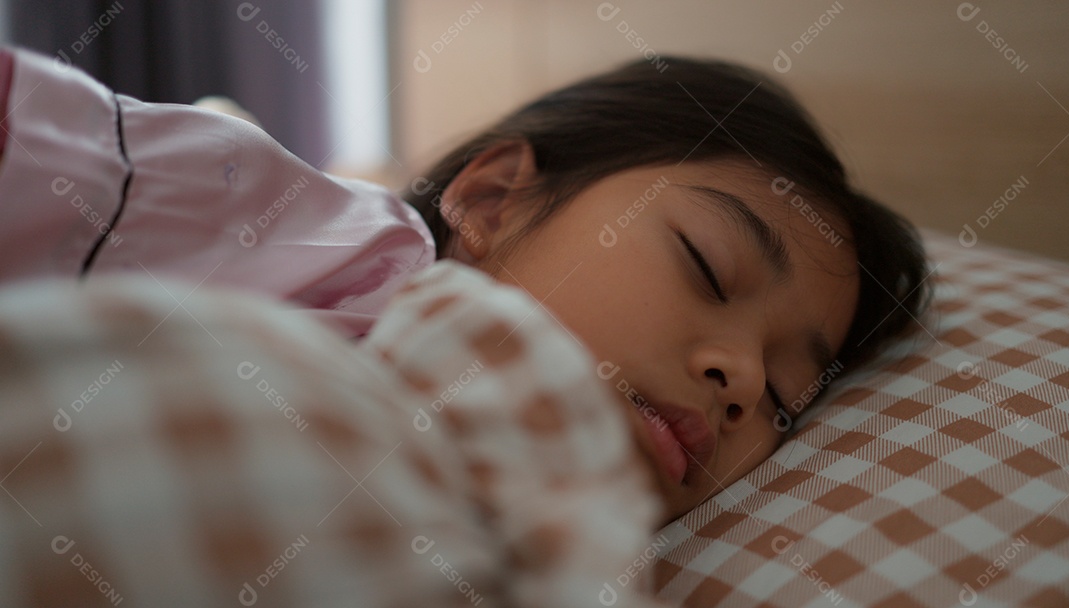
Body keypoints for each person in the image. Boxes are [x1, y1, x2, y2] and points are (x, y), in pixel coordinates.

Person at [0, 47, 928, 605]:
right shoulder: (341, 248)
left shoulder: (553, 529)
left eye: (786, 397)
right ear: (491, 200)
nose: (738, 379)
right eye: (705, 265)